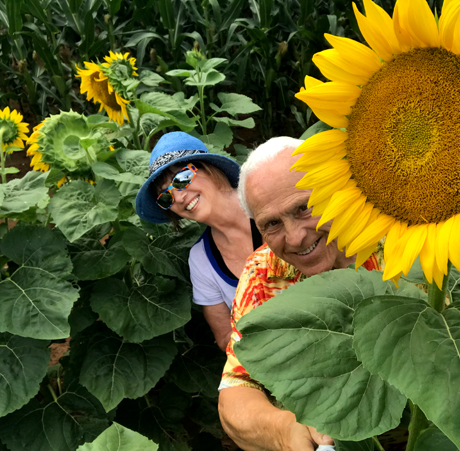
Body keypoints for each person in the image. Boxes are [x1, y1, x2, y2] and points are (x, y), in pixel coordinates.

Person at [218, 137, 382, 451]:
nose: (295, 237)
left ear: (336, 188)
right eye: (272, 224)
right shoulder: (262, 275)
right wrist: (284, 430)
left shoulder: (400, 243)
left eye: (304, 208)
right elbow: (234, 393)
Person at [136, 132, 263, 350]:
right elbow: (225, 337)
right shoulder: (201, 259)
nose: (178, 197)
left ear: (209, 169)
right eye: (165, 196)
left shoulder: (263, 200)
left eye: (181, 179)